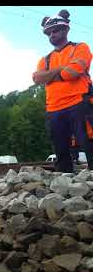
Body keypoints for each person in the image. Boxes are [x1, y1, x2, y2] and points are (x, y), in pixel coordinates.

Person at [32, 9, 93, 172]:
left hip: (80, 101)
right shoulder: (45, 59)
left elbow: (73, 72)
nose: (52, 34)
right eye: (49, 32)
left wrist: (50, 75)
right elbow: (37, 78)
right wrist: (60, 69)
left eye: (56, 30)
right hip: (54, 108)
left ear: (66, 29)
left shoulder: (80, 48)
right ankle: (65, 180)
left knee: (89, 141)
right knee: (60, 148)